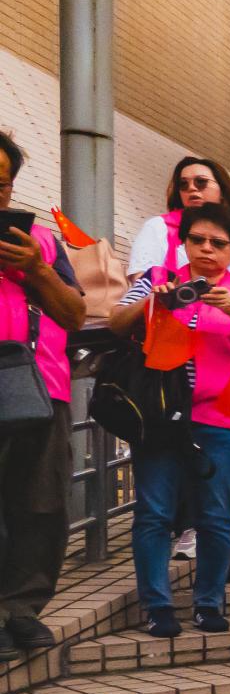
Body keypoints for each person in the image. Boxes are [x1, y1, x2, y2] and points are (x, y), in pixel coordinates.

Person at [107, 203, 230, 636]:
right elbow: (115, 323)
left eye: (218, 243)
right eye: (197, 240)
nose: (206, 249)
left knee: (216, 516)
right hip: (160, 415)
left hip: (220, 417)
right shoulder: (158, 279)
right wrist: (152, 298)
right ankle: (157, 606)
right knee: (154, 513)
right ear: (184, 244)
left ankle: (209, 603)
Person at [0, 132, 87, 660]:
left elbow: (75, 315)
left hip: (37, 384)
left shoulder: (43, 244)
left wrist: (33, 268)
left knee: (40, 501)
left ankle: (21, 610)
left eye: (2, 186)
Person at [127, 156, 230, 283]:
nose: (191, 188)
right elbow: (142, 281)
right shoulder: (158, 227)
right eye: (183, 184)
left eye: (201, 182)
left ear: (223, 190)